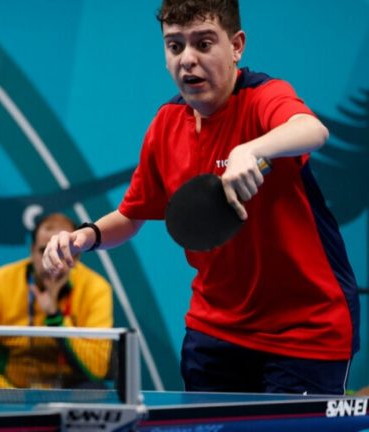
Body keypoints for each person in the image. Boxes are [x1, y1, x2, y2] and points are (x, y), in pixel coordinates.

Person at [43, 0, 359, 395]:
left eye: (203, 44)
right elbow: (132, 214)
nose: (187, 60)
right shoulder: (165, 125)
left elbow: (310, 129)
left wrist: (254, 149)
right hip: (216, 329)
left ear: (237, 45)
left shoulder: (263, 97)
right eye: (175, 46)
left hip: (304, 331)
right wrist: (84, 236)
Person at [0, 213, 113, 388]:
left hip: (69, 395)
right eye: (44, 251)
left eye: (63, 251)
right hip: (10, 393)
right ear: (31, 251)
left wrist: (56, 318)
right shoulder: (0, 282)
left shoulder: (96, 288)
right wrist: (14, 400)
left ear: (76, 257)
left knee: (95, 390)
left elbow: (97, 368)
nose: (51, 261)